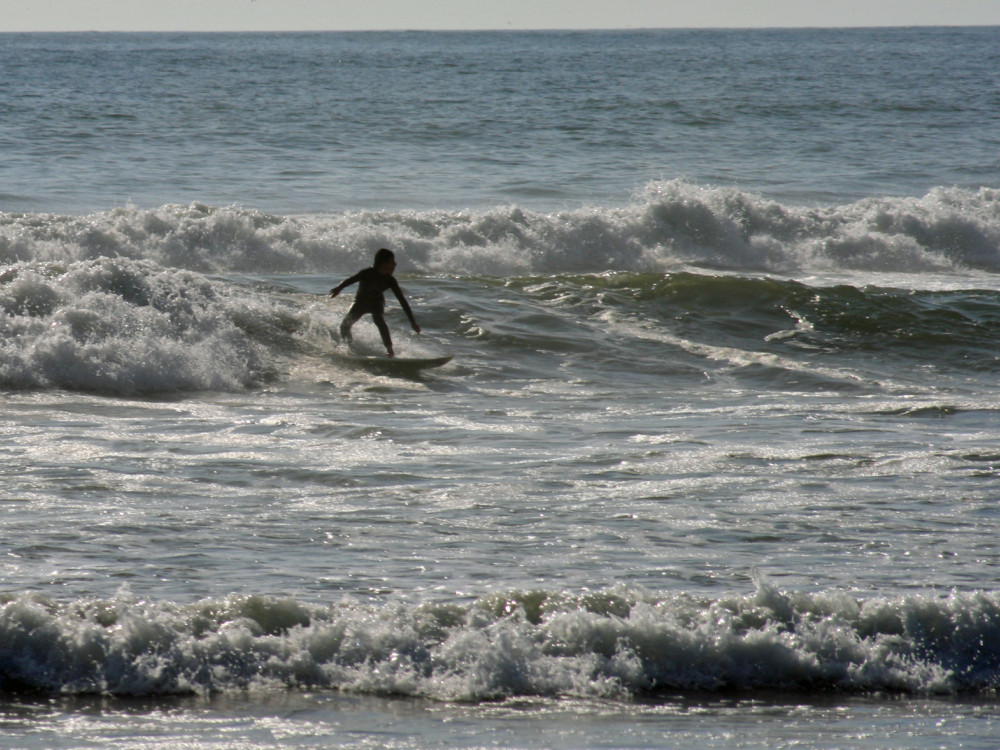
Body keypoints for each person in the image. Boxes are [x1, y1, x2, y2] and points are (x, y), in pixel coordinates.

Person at [329, 248, 420, 357]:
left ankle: (390, 351)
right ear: (383, 263)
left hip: (376, 302)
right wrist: (339, 288)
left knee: (379, 320)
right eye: (392, 262)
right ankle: (349, 347)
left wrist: (412, 321)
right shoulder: (367, 273)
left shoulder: (390, 280)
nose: (395, 264)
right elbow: (351, 280)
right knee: (345, 326)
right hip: (360, 302)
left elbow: (402, 300)